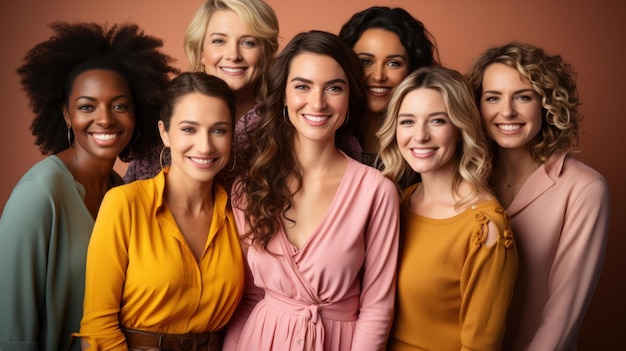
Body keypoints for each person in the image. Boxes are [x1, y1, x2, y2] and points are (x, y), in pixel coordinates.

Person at [0, 22, 176, 351]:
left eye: (120, 106)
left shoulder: (119, 189)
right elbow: (11, 333)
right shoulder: (39, 195)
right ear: (67, 115)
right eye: (86, 107)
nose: (106, 119)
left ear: (138, 114)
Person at [222, 30, 399, 351]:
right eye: (302, 86)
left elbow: (378, 307)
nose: (317, 102)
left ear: (349, 99)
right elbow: (249, 297)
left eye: (333, 88)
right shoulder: (249, 187)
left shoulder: (377, 191)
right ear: (284, 96)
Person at [73, 72, 244, 350]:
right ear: (165, 132)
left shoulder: (240, 216)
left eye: (219, 130)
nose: (205, 146)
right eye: (189, 129)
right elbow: (98, 327)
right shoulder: (124, 204)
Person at [466, 42, 610, 351]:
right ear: (476, 106)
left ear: (547, 103)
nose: (507, 112)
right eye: (493, 98)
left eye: (523, 97)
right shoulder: (468, 179)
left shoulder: (584, 188)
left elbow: (562, 315)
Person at [377, 66, 518, 350]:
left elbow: (480, 346)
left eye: (437, 121)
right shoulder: (402, 200)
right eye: (407, 121)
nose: (419, 136)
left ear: (460, 128)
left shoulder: (486, 227)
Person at [124, 0, 279, 189]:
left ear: (266, 53)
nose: (233, 55)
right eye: (219, 41)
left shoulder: (284, 124)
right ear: (201, 52)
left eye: (248, 42)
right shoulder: (166, 112)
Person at [338, 6, 439, 168]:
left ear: (412, 68)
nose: (378, 76)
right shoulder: (328, 133)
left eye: (393, 63)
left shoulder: (426, 140)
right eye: (365, 62)